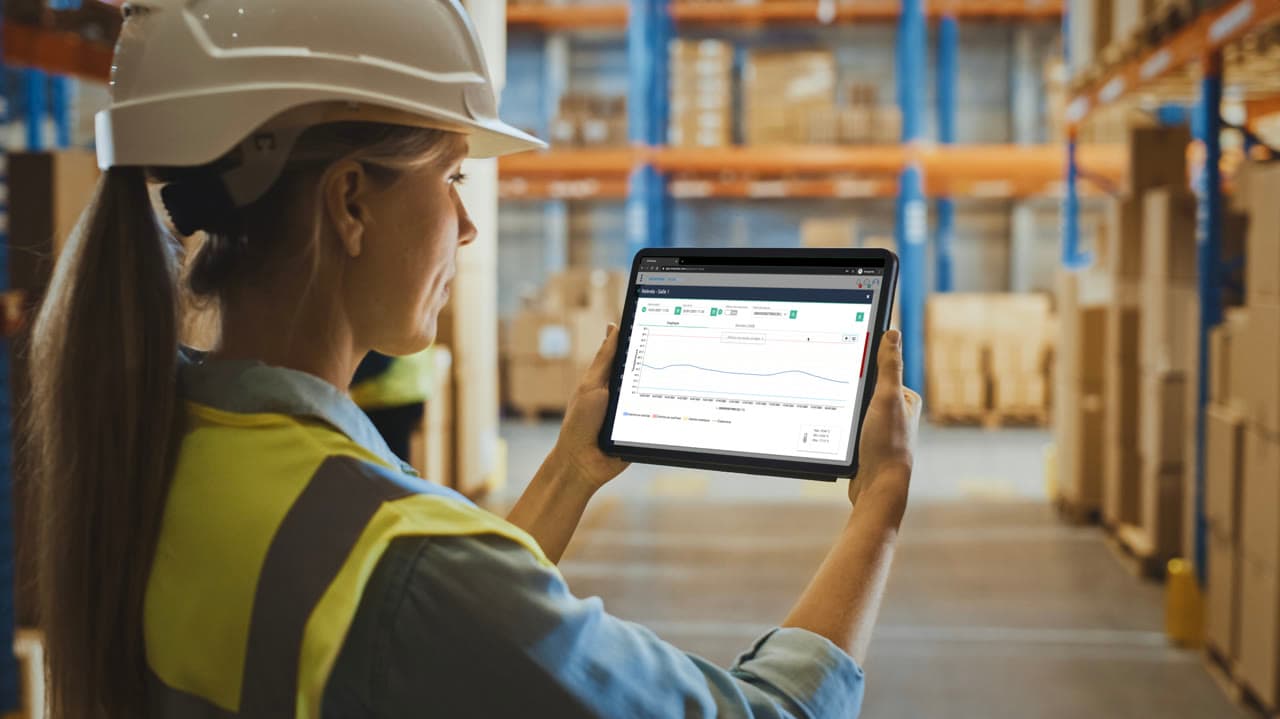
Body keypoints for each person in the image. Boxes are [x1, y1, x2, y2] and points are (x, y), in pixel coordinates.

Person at [28, 1, 922, 717]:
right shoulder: (396, 557)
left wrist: (571, 470)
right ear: (350, 204)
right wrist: (878, 507)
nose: (468, 224)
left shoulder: (157, 434)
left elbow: (406, 638)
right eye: (452, 176)